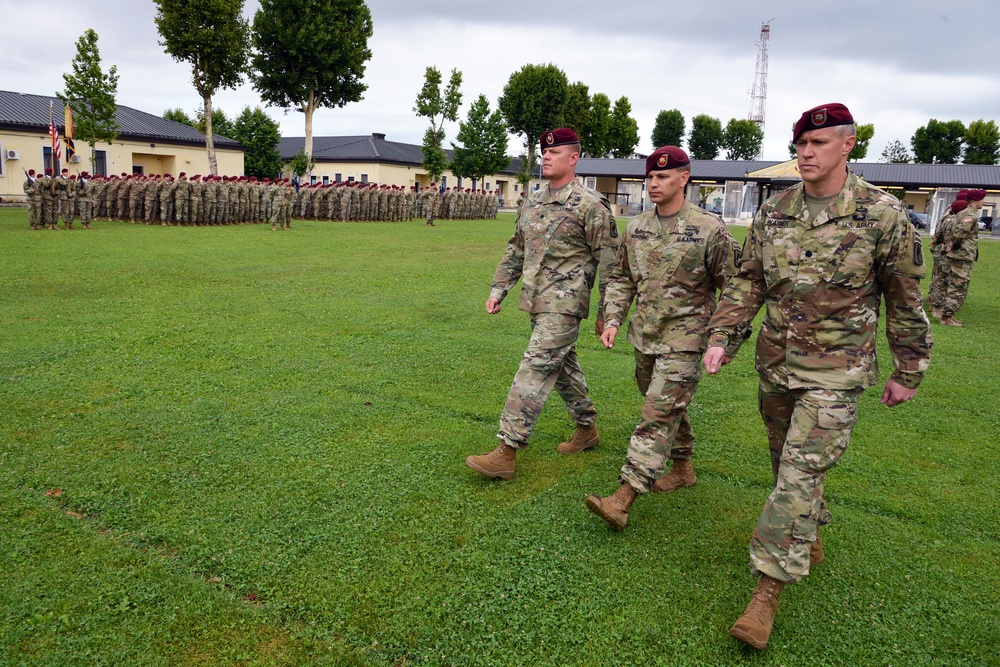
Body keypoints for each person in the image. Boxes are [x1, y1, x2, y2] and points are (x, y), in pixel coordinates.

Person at [702, 103, 932, 651]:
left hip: (838, 370)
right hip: (777, 363)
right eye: (800, 143)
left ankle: (766, 591)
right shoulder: (775, 211)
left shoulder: (882, 214)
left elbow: (904, 298)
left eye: (819, 143)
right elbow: (748, 283)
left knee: (798, 473)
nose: (806, 152)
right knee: (786, 459)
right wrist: (722, 337)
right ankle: (808, 524)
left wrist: (909, 368)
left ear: (848, 145)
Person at [584, 146, 741, 530]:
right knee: (668, 408)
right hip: (645, 338)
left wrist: (725, 342)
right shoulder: (636, 228)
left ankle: (624, 496)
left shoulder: (709, 229)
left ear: (684, 178)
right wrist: (613, 320)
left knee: (656, 415)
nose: (653, 184)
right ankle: (684, 466)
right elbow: (621, 278)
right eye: (650, 177)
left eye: (663, 177)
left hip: (686, 342)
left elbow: (735, 290)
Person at [466, 128, 619, 480]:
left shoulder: (590, 205)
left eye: (555, 152)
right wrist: (498, 289)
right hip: (535, 300)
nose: (546, 157)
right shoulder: (533, 201)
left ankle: (506, 450)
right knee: (560, 366)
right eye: (544, 152)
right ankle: (587, 427)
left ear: (574, 158)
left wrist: (607, 313)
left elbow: (611, 263)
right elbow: (516, 249)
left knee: (535, 367)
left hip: (565, 304)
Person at [939, 189, 984, 326]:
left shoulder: (963, 213)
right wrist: (956, 247)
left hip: (961, 255)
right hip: (962, 256)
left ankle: (948, 315)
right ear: (975, 201)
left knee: (956, 284)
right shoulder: (969, 215)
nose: (984, 201)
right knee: (958, 285)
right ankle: (946, 317)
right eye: (982, 199)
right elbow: (959, 234)